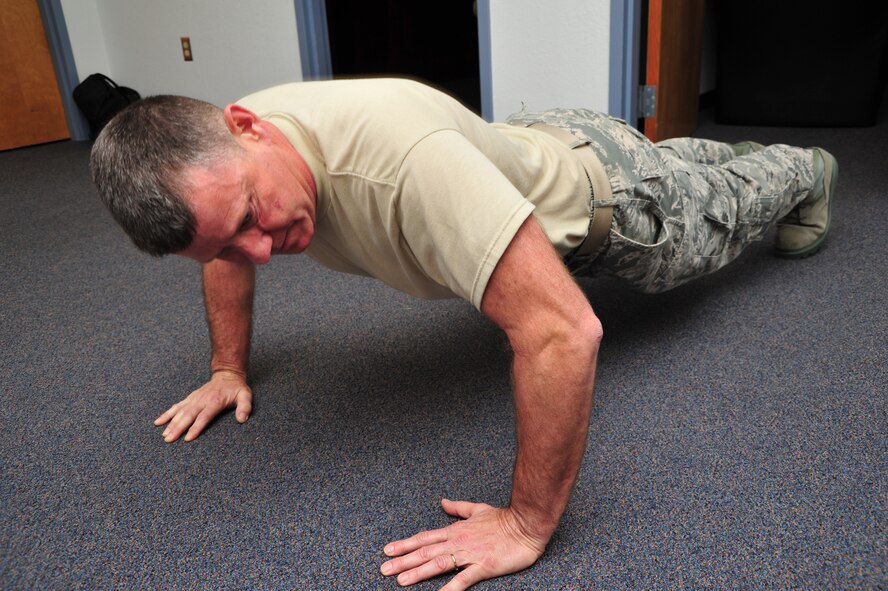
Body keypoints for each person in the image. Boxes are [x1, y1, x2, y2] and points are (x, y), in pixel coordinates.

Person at [89, 77, 837, 591]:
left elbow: (563, 332)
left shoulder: (403, 168)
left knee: (725, 210)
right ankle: (722, 164)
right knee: (683, 165)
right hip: (547, 141)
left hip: (616, 211)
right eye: (227, 243)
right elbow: (223, 245)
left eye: (255, 215)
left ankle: (806, 169)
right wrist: (227, 366)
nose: (255, 250)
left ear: (244, 126)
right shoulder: (234, 147)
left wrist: (526, 522)